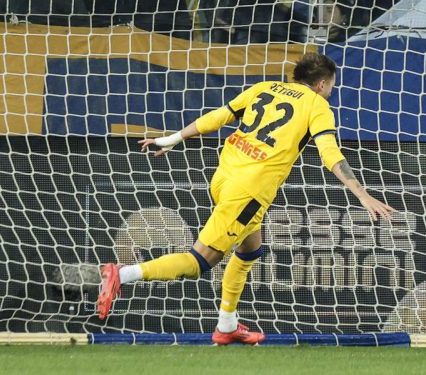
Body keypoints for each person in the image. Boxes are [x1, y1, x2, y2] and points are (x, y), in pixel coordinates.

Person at [96, 52, 395, 345]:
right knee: (199, 261)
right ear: (320, 84)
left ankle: (226, 325)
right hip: (249, 191)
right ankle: (124, 273)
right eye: (331, 85)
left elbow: (219, 116)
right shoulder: (317, 105)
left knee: (251, 249)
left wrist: (174, 138)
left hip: (224, 176)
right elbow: (329, 152)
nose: (330, 91)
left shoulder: (263, 88)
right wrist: (362, 194)